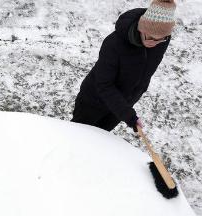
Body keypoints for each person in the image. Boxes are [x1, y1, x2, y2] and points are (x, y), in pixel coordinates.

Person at [72, 0, 176, 132]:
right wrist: (128, 114)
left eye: (160, 39)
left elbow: (146, 71)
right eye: (150, 37)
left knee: (100, 138)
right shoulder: (114, 44)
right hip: (93, 102)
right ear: (141, 28)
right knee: (76, 135)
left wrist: (128, 106)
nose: (153, 43)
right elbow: (104, 85)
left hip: (121, 107)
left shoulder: (163, 40)